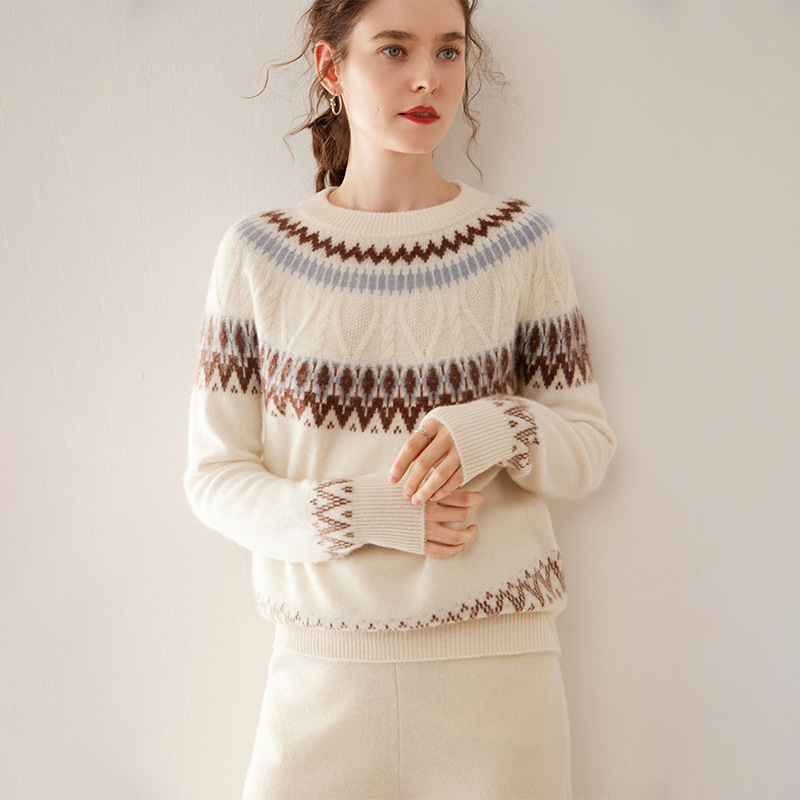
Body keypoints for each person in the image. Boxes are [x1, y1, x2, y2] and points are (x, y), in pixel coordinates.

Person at [184, 0, 616, 797]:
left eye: (449, 51)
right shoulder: (258, 255)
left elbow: (586, 451)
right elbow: (214, 478)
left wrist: (495, 425)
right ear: (330, 67)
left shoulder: (521, 242)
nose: (428, 78)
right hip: (322, 678)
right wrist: (358, 514)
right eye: (394, 50)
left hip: (499, 683)